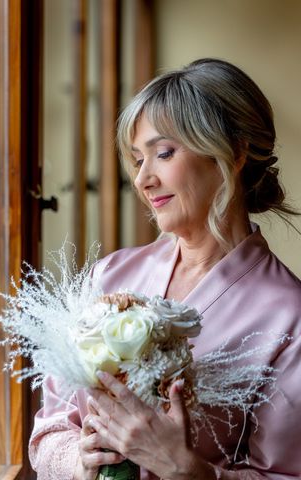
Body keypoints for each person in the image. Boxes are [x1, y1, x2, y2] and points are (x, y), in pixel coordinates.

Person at [29, 58, 301, 479]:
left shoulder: (289, 316)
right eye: (138, 160)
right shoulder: (110, 277)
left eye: (164, 153)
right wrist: (79, 461)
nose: (143, 179)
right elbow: (49, 432)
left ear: (235, 152)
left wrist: (188, 470)